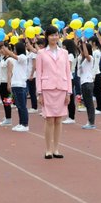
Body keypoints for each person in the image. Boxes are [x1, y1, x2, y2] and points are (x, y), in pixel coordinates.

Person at [36, 26, 72, 159]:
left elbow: (68, 73)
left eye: (56, 35)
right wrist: (39, 92)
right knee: (49, 119)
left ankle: (56, 149)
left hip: (62, 88)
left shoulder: (64, 52)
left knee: (59, 119)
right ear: (47, 37)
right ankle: (48, 149)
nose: (54, 37)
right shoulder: (41, 53)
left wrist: (69, 92)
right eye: (51, 35)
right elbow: (39, 73)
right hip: (47, 88)